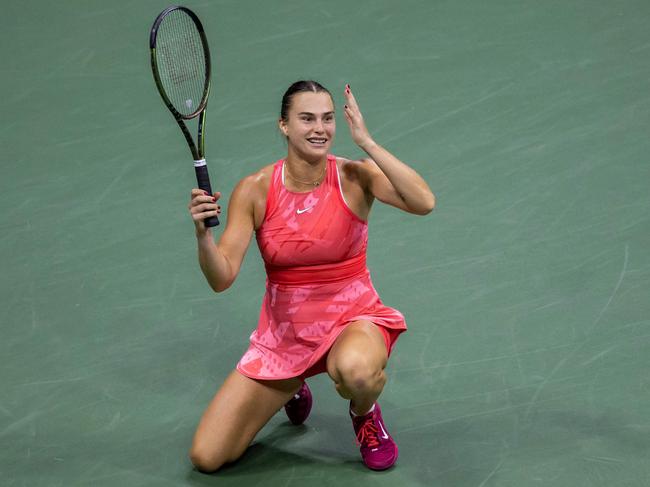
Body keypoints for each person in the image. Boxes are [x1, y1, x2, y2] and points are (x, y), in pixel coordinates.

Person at [187, 80, 435, 472]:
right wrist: (204, 237)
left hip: (351, 319)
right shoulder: (254, 190)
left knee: (357, 372)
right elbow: (222, 277)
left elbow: (424, 202)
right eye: (307, 119)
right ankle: (292, 383)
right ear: (283, 125)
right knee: (207, 456)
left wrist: (367, 143)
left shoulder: (355, 176)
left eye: (327, 118)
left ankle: (365, 415)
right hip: (284, 338)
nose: (320, 128)